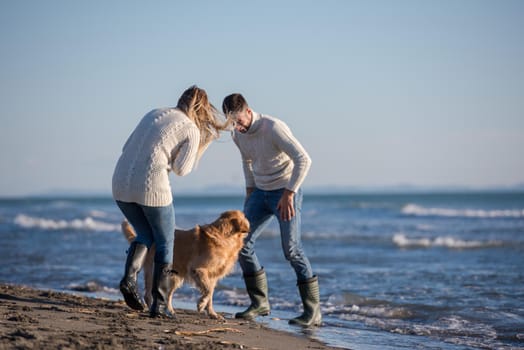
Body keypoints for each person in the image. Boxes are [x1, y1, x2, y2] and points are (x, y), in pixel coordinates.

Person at [112, 85, 228, 318]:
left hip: (120, 182)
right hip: (151, 186)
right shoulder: (190, 128)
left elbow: (126, 147)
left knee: (145, 233)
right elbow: (181, 169)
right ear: (202, 110)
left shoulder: (154, 113)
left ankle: (129, 279)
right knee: (166, 242)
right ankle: (161, 304)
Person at [222, 93, 321, 327]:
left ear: (248, 111)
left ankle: (313, 312)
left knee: (291, 250)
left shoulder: (273, 128)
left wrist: (289, 193)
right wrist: (249, 191)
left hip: (285, 192)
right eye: (231, 123)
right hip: (259, 193)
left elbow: (304, 160)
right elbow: (247, 161)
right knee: (241, 243)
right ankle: (259, 303)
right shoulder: (237, 134)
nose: (237, 127)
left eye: (239, 121)